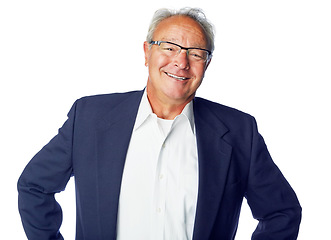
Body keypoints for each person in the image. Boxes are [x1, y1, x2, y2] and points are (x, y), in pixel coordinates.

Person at [18, 7, 301, 240]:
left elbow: (282, 212)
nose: (181, 61)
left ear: (206, 64)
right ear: (146, 52)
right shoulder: (90, 117)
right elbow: (34, 187)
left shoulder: (239, 132)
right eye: (169, 47)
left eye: (196, 53)